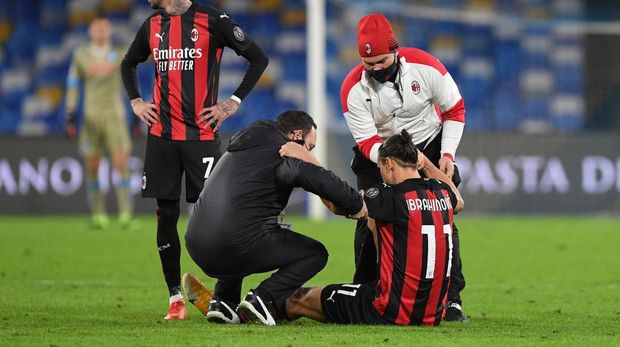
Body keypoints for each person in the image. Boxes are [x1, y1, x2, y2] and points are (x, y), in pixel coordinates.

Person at [120, 0, 269, 320]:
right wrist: (135, 102)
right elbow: (128, 63)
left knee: (217, 218)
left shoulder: (212, 19)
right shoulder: (152, 25)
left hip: (200, 138)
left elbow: (258, 58)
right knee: (166, 214)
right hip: (161, 136)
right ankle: (175, 298)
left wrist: (232, 102)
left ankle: (223, 296)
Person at [183, 110, 367, 326]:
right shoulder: (283, 152)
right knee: (315, 254)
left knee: (246, 223)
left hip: (195, 240)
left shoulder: (249, 143)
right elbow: (318, 178)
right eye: (310, 146)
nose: (309, 152)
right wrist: (357, 204)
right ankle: (263, 298)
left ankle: (223, 303)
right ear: (296, 135)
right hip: (237, 244)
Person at [340, 13, 468, 321]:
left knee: (441, 220)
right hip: (379, 156)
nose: (375, 69)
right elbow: (368, 142)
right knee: (368, 220)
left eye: (381, 61)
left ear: (395, 51)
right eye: (368, 64)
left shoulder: (427, 67)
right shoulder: (352, 89)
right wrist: (397, 164)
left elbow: (455, 109)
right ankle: (366, 289)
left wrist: (447, 155)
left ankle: (451, 299)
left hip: (430, 146)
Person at [284, 129, 465, 326]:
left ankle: (263, 309)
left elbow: (338, 204)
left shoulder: (389, 196)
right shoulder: (441, 193)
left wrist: (307, 158)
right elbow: (459, 201)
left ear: (388, 163)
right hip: (433, 314)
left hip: (389, 309)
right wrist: (428, 164)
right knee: (376, 223)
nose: (380, 173)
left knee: (298, 299)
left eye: (379, 166)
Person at [65, 14, 135, 229]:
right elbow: (74, 84)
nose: (101, 32)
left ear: (110, 31)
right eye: (97, 29)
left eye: (104, 28)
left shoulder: (119, 53)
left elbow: (133, 70)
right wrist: (70, 111)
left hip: (114, 115)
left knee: (121, 163)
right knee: (92, 165)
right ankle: (98, 214)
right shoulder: (81, 55)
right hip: (90, 117)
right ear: (90, 32)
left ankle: (125, 214)